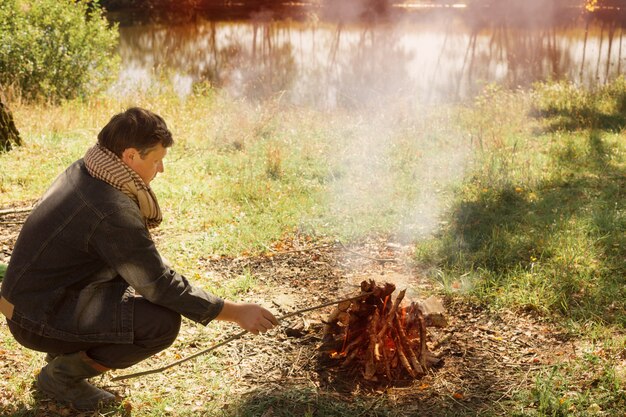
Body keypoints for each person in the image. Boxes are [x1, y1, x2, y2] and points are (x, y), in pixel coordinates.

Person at [0, 107, 278, 410]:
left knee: (138, 298)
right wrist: (234, 312)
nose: (160, 169)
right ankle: (61, 377)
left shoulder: (89, 168)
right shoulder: (109, 209)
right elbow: (157, 284)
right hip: (34, 318)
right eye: (156, 160)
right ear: (130, 156)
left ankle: (65, 350)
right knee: (158, 323)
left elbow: (137, 268)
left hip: (27, 301)